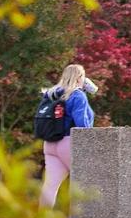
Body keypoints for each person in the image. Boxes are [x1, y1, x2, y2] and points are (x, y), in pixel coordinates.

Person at [40, 64, 98, 207]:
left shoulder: (51, 94)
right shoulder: (78, 96)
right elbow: (81, 124)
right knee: (82, 183)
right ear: (80, 78)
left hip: (50, 143)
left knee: (50, 187)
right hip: (68, 143)